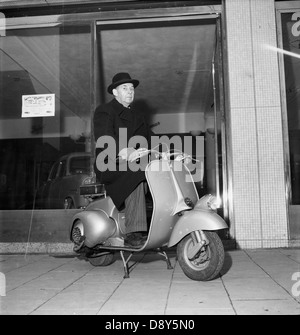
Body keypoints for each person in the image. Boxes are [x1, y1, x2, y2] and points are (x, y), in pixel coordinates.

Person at [93, 72, 153, 246]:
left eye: (132, 88)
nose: (129, 91)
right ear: (115, 92)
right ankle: (134, 232)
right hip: (110, 162)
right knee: (137, 171)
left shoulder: (138, 116)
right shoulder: (105, 110)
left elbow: (152, 139)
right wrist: (125, 151)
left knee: (157, 173)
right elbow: (104, 137)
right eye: (124, 88)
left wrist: (172, 152)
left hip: (133, 162)